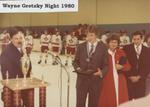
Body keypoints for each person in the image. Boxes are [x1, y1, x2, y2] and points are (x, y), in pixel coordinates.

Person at [73, 26, 108, 107]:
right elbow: (75, 62)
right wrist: (77, 68)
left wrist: (101, 72)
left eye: (91, 35)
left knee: (93, 104)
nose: (88, 37)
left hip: (96, 82)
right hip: (82, 81)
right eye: (87, 35)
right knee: (80, 104)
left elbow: (106, 65)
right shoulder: (81, 46)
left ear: (96, 35)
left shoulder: (103, 47)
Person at [0, 27, 32, 107]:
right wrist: (17, 96)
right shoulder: (6, 53)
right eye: (16, 38)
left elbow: (28, 68)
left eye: (21, 38)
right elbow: (7, 76)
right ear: (11, 39)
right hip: (13, 93)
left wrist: (25, 54)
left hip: (24, 89)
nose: (19, 40)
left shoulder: (22, 50)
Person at [98, 34, 131, 107]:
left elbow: (128, 67)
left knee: (121, 99)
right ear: (108, 43)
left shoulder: (121, 52)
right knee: (107, 99)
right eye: (112, 42)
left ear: (118, 43)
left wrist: (122, 67)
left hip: (120, 80)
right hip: (107, 80)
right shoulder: (104, 53)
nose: (113, 44)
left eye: (115, 42)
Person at [123, 31, 150, 100]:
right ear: (132, 39)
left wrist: (139, 76)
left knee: (140, 100)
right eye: (134, 39)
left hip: (141, 79)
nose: (136, 41)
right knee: (129, 99)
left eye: (138, 39)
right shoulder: (126, 48)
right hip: (130, 78)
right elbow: (123, 64)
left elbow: (148, 66)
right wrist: (129, 76)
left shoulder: (147, 50)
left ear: (142, 39)